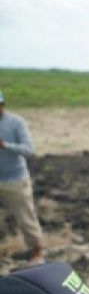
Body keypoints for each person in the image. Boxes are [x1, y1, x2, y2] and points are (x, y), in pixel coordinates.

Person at [0, 90, 45, 263]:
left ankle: (36, 251)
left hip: (15, 180)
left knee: (26, 217)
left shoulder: (16, 123)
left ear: (2, 105)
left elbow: (29, 150)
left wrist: (5, 145)